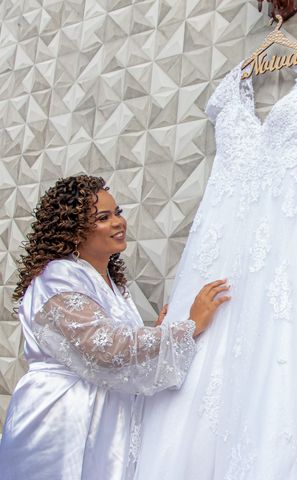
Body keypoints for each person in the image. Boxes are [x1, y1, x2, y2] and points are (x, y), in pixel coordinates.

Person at [0, 175, 230, 479]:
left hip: (105, 417)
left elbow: (120, 349)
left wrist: (157, 331)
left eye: (118, 212)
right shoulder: (59, 276)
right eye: (103, 217)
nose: (118, 222)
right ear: (72, 229)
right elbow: (104, 346)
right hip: (63, 417)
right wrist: (188, 327)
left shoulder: (111, 283)